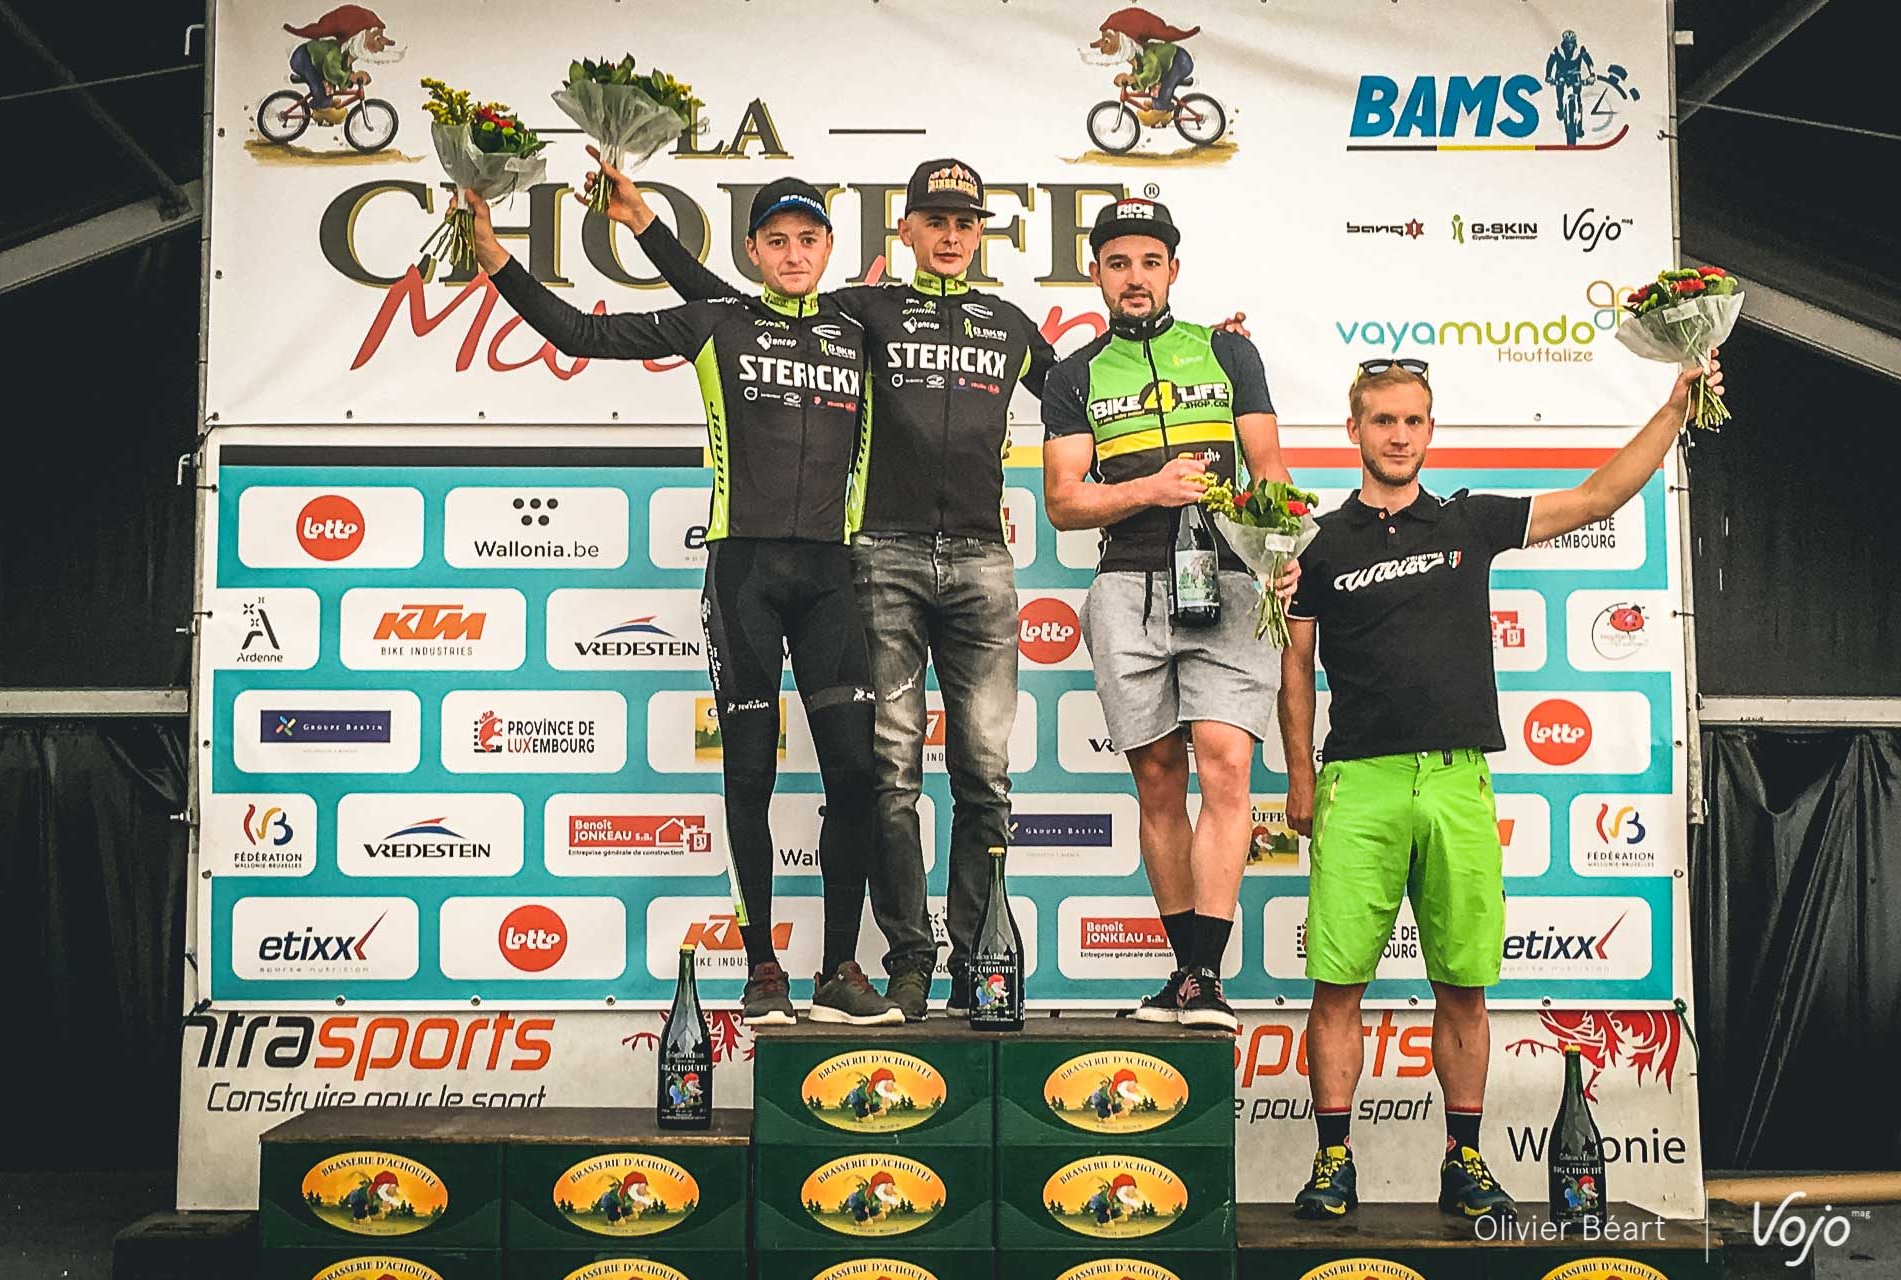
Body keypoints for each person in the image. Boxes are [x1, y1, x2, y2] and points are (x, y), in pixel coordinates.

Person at [589, 151, 1254, 1020]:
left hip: (982, 562)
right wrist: (644, 225)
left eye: (964, 223)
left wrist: (1197, 356)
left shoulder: (1010, 324)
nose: (949, 236)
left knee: (985, 777)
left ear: (980, 236)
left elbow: (1092, 387)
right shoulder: (861, 310)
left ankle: (979, 962)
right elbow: (733, 306)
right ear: (904, 230)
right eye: (934, 221)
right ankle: (910, 961)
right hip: (883, 559)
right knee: (892, 778)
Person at [1280, 352, 1724, 1221]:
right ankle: (1332, 1162)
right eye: (1383, 421)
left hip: (1457, 780)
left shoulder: (1471, 519)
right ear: (1353, 430)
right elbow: (1295, 666)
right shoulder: (1315, 544)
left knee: (1463, 985)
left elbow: (1597, 498)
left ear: (1430, 430)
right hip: (1358, 783)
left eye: (1412, 421)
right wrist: (1302, 776)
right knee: (1337, 987)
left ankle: (1465, 1160)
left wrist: (1677, 406)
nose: (1398, 436)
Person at [463, 178, 901, 1027]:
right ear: (752, 252)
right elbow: (581, 333)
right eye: (776, 240)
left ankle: (840, 969)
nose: (794, 254)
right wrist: (495, 261)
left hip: (834, 577)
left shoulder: (860, 329)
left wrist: (643, 222)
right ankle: (763, 968)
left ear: (829, 248)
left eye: (808, 239)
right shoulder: (717, 324)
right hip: (743, 576)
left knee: (854, 774)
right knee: (750, 773)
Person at [1041, 198, 1294, 1034]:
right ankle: (1186, 972)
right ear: (1097, 274)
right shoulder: (1074, 375)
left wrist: (1280, 543)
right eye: (1118, 263)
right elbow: (1063, 502)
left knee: (1225, 764)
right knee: (1156, 779)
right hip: (1128, 584)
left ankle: (1206, 976)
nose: (1135, 277)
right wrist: (1150, 488)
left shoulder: (1228, 351)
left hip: (1229, 580)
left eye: (1150, 261)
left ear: (1174, 270)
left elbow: (1267, 467)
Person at [282, 5, 398, 125]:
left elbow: (343, 68)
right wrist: (350, 77)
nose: (381, 46)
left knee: (329, 87)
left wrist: (350, 78)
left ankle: (323, 103)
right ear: (359, 37)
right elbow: (330, 69)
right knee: (322, 89)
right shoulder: (337, 52)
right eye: (376, 38)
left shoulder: (348, 54)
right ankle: (321, 108)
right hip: (303, 58)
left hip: (315, 62)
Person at [1088, 7, 1200, 119]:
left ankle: (1161, 111)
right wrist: (1132, 79)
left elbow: (1153, 71)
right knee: (1155, 88)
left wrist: (1133, 79)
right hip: (1169, 64)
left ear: (1125, 40)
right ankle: (1159, 106)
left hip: (1180, 61)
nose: (1103, 48)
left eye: (1107, 41)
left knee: (1163, 88)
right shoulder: (1135, 56)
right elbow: (1140, 70)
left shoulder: (1145, 54)